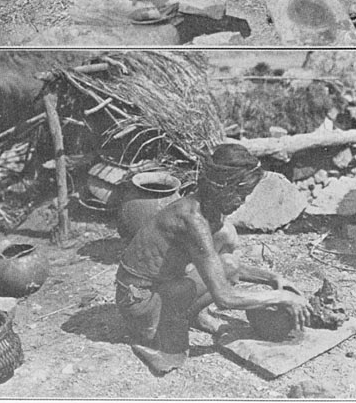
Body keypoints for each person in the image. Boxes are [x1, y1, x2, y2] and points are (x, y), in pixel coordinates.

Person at [115, 143, 311, 375]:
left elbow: (223, 266)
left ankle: (191, 314)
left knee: (228, 261)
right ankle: (158, 336)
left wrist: (272, 278)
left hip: (158, 287)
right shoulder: (192, 219)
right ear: (223, 187)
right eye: (241, 194)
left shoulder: (205, 208)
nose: (243, 201)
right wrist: (281, 297)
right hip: (140, 303)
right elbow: (225, 298)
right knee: (211, 272)